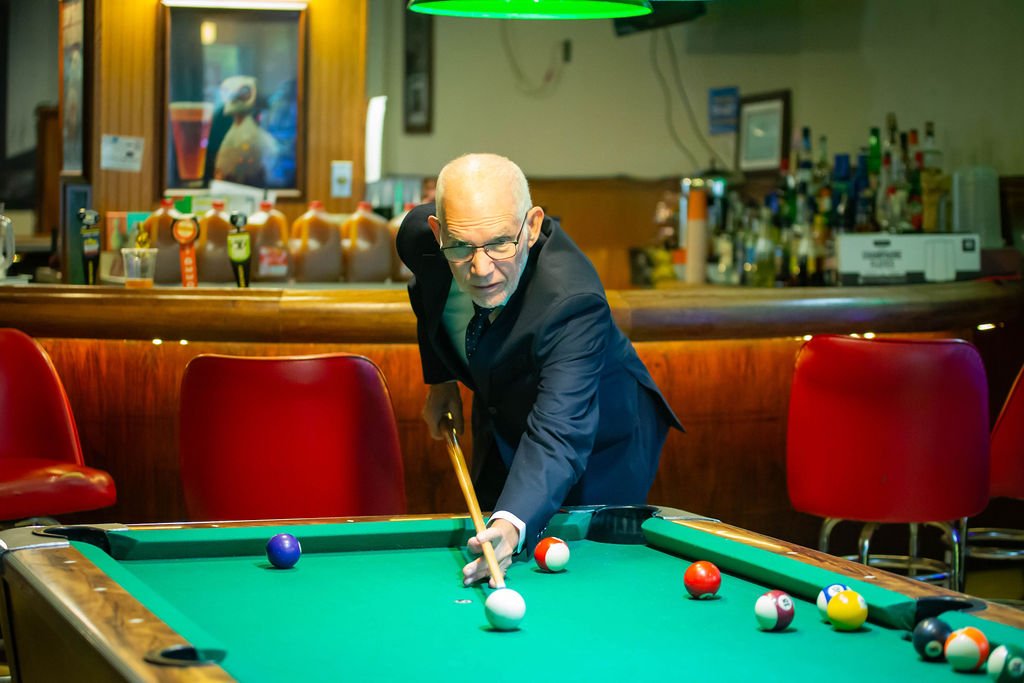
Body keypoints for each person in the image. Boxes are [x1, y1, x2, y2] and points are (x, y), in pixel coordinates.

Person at [397, 153, 682, 586]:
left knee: (583, 576)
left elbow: (559, 433)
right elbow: (426, 291)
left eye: (500, 244)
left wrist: (512, 522)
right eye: (461, 247)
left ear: (531, 227)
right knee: (496, 533)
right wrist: (441, 380)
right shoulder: (424, 238)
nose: (481, 269)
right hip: (504, 413)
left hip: (597, 439)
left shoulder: (573, 302)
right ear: (438, 234)